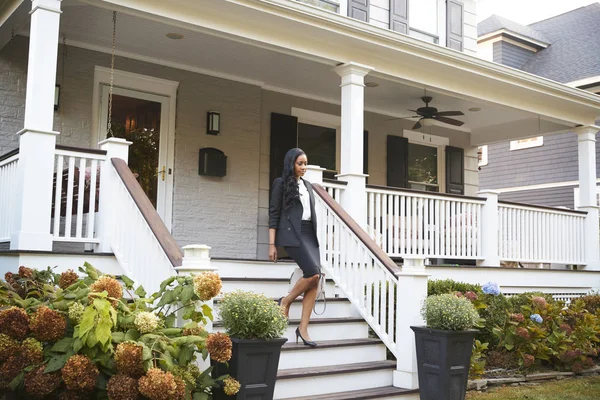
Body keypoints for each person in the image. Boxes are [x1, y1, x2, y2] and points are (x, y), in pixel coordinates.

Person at [269, 148, 321, 347]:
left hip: (309, 234)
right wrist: (272, 244)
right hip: (292, 234)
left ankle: (303, 329)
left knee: (315, 281)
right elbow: (273, 213)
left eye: (305, 163)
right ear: (291, 164)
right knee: (313, 274)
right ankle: (286, 300)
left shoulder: (308, 185)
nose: (304, 167)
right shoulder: (281, 184)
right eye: (300, 163)